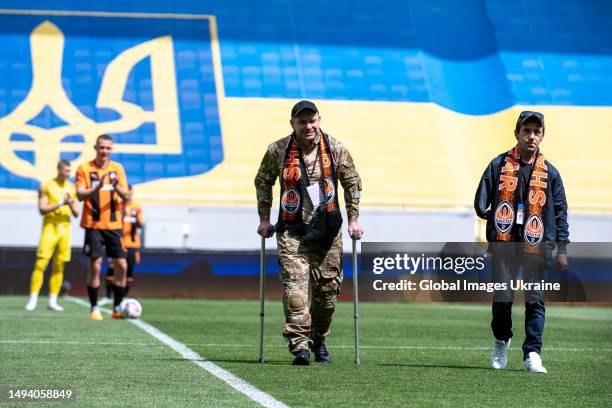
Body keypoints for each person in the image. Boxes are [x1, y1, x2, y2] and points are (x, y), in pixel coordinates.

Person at [255, 100, 363, 365]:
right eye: (302, 121)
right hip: (293, 232)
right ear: (292, 123)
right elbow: (262, 181)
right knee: (295, 292)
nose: (308, 126)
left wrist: (353, 220)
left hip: (328, 232)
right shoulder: (277, 150)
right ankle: (299, 346)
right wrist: (264, 219)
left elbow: (352, 183)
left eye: (312, 120)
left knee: (327, 295)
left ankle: (319, 339)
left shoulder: (336, 148)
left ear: (319, 120)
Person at [474, 111, 569, 373]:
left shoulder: (550, 172)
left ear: (542, 136)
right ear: (517, 133)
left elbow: (560, 211)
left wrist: (562, 248)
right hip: (505, 246)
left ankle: (533, 355)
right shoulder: (498, 164)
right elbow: (481, 202)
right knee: (502, 299)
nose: (531, 136)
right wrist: (492, 217)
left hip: (537, 247)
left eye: (536, 132)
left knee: (535, 300)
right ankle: (500, 342)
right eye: (526, 131)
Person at [76, 134, 131, 320]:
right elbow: (80, 195)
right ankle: (94, 307)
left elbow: (126, 196)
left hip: (115, 225)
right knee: (96, 266)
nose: (105, 151)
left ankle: (117, 307)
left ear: (111, 149)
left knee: (122, 265)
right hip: (93, 224)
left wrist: (115, 187)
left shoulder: (118, 168)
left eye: (108, 148)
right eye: (101, 148)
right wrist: (97, 187)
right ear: (95, 148)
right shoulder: (84, 168)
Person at [25, 160, 79, 312]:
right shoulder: (47, 185)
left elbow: (76, 213)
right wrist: (61, 203)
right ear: (59, 170)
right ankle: (33, 299)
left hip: (65, 228)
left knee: (59, 265)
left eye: (70, 171)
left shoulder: (71, 188)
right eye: (66, 171)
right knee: (41, 263)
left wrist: (71, 203)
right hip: (50, 226)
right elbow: (42, 209)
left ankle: (53, 300)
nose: (68, 174)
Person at [100, 185, 143, 305]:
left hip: (132, 244)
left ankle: (123, 297)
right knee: (112, 269)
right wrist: (123, 214)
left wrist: (135, 218)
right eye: (126, 193)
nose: (127, 196)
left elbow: (141, 225)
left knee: (129, 272)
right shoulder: (118, 206)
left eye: (130, 193)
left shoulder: (137, 207)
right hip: (118, 242)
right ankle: (108, 296)